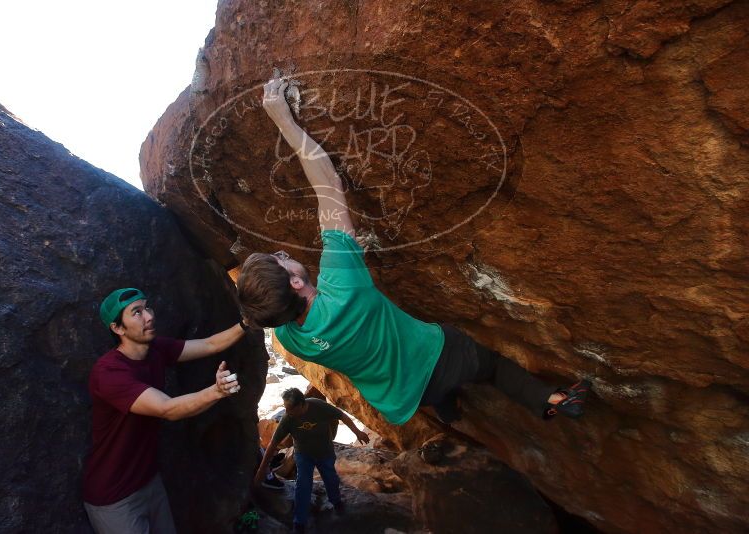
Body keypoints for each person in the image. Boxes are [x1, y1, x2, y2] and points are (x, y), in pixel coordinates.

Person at [237, 77, 590, 428]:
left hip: (405, 397)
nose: (282, 253)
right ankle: (553, 399)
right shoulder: (344, 285)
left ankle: (449, 408)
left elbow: (283, 312)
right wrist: (283, 119)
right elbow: (328, 184)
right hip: (439, 355)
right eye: (279, 260)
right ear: (296, 282)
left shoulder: (289, 336)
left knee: (440, 393)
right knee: (492, 367)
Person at [82, 287, 249, 534]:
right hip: (114, 496)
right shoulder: (109, 373)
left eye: (147, 307)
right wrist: (217, 391)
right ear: (118, 328)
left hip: (149, 481)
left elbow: (210, 344)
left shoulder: (155, 349)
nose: (149, 316)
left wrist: (248, 323)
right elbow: (166, 408)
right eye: (136, 313)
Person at [254, 388, 369, 533]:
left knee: (331, 479)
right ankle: (299, 522)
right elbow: (273, 444)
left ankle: (336, 502)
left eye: (290, 408)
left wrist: (357, 432)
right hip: (303, 455)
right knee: (303, 485)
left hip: (324, 452)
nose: (287, 411)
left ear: (301, 405)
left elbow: (342, 415)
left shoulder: (318, 406)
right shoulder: (288, 419)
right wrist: (262, 469)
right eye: (285, 408)